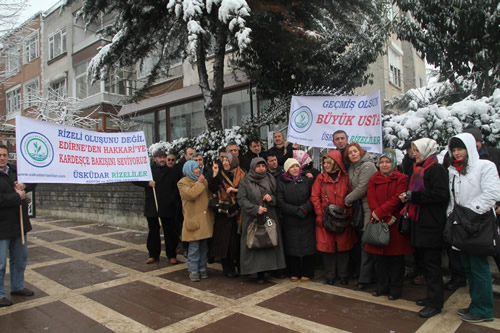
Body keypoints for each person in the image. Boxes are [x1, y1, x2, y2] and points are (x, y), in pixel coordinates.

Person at [447, 133, 500, 323]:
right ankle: (476, 304)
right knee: (468, 268)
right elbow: (454, 197)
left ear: (469, 147)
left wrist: (469, 213)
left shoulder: (485, 167)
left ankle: (484, 309)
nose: (457, 153)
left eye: (460, 148)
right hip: (461, 226)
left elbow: (491, 194)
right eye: (453, 149)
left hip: (478, 224)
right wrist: (452, 215)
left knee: (479, 268)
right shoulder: (454, 170)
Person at [399, 138, 449, 318]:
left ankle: (435, 303)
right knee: (426, 265)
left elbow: (441, 195)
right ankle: (431, 298)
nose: (414, 153)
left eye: (417, 150)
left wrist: (415, 196)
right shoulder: (419, 169)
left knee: (432, 265)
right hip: (420, 222)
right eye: (413, 150)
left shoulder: (436, 169)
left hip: (431, 224)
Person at [366, 149, 412, 301]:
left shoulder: (402, 178)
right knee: (379, 259)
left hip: (395, 222)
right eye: (382, 162)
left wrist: (381, 213)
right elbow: (371, 199)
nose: (384, 165)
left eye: (388, 162)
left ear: (393, 164)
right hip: (380, 221)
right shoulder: (374, 179)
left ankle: (396, 288)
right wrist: (381, 215)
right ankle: (382, 286)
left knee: (396, 260)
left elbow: (397, 199)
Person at [311, 150, 357, 285]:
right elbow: (315, 197)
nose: (325, 165)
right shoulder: (320, 178)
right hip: (326, 218)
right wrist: (319, 215)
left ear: (335, 163)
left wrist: (349, 212)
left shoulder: (345, 178)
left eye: (328, 163)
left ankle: (343, 275)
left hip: (343, 218)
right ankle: (330, 275)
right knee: (328, 248)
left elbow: (351, 195)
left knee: (343, 247)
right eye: (324, 163)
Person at [237, 157, 286, 283]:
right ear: (253, 167)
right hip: (252, 218)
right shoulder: (245, 182)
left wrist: (272, 199)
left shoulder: (270, 179)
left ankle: (273, 268)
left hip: (270, 216)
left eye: (263, 166)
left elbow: (278, 196)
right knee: (255, 243)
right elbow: (241, 199)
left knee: (271, 241)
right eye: (258, 166)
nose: (261, 169)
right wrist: (255, 209)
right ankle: (259, 273)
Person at [0, 145, 36, 307]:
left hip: (19, 224)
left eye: (4, 155)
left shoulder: (16, 170)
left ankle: (17, 286)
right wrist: (16, 196)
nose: (2, 158)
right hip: (1, 227)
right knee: (0, 263)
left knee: (20, 259)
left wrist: (25, 186)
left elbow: (33, 181)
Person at [134, 149, 181, 264]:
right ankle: (153, 254)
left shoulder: (171, 172)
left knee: (170, 232)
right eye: (159, 157)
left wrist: (172, 199)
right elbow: (134, 179)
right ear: (154, 158)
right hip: (152, 206)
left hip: (168, 207)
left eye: (163, 157)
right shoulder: (148, 171)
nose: (162, 159)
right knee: (153, 232)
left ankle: (171, 254)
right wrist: (147, 183)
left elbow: (177, 188)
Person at [343, 143, 377, 291]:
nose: (353, 154)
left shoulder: (367, 166)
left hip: (368, 208)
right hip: (358, 210)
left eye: (355, 151)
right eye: (350, 153)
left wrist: (346, 199)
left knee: (366, 244)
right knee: (362, 244)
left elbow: (362, 187)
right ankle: (366, 275)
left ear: (360, 151)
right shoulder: (352, 167)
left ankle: (365, 279)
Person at [277, 158, 316, 282]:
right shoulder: (281, 183)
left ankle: (307, 272)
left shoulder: (306, 180)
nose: (295, 169)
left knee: (308, 246)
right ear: (287, 169)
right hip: (290, 219)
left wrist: (305, 209)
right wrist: (295, 211)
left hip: (306, 218)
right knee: (292, 246)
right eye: (292, 167)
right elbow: (280, 202)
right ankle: (294, 271)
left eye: (297, 166)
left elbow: (313, 197)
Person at [208, 152, 246, 277]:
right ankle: (228, 268)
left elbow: (248, 189)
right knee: (225, 243)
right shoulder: (219, 174)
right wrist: (214, 174)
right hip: (223, 213)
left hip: (239, 212)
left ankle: (241, 267)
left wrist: (236, 190)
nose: (224, 163)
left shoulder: (242, 174)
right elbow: (213, 189)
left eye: (227, 160)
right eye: (223, 160)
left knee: (238, 242)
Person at [177, 160, 214, 282]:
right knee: (194, 248)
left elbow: (208, 196)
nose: (198, 170)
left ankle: (202, 268)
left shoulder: (204, 181)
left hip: (205, 220)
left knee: (204, 247)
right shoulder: (183, 183)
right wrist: (199, 183)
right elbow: (190, 195)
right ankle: (193, 270)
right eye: (195, 168)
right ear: (189, 170)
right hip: (193, 221)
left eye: (199, 168)